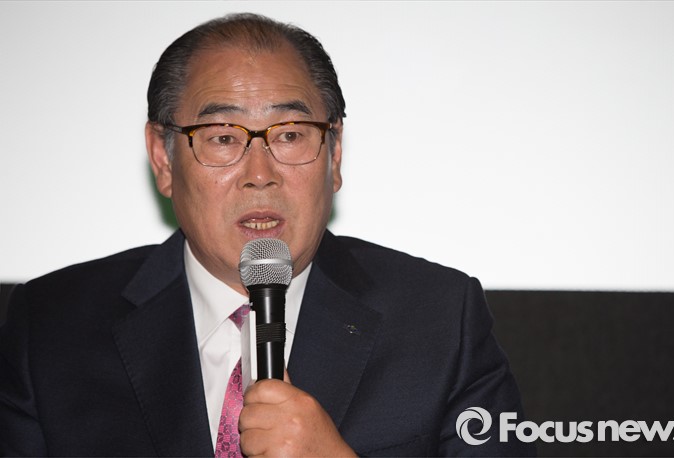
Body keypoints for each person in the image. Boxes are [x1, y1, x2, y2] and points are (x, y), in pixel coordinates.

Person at [0, 13, 534, 457]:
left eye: (291, 134)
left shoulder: (440, 321)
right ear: (163, 159)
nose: (260, 173)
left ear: (335, 155)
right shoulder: (52, 327)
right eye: (222, 137)